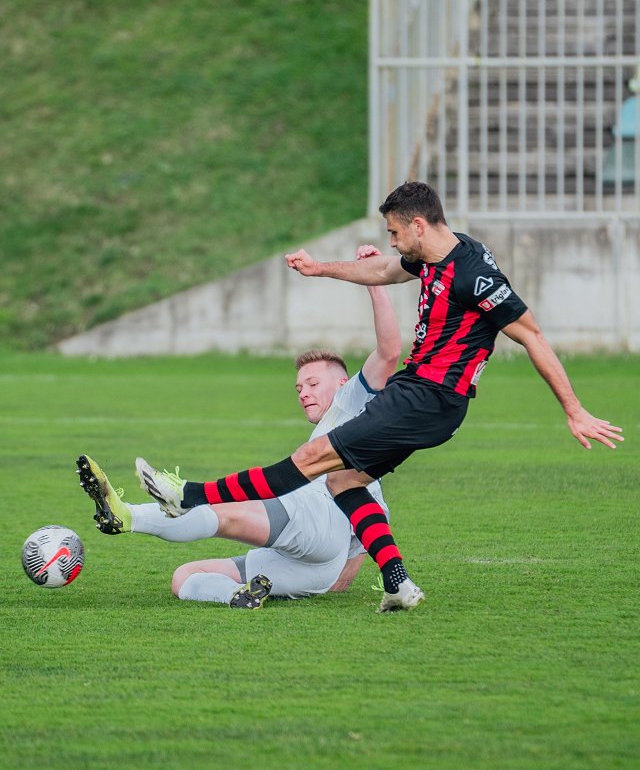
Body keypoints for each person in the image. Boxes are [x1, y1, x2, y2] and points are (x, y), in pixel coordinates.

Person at [136, 181, 624, 612]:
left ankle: (187, 496)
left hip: (426, 396)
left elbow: (532, 334)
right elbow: (387, 272)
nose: (391, 242)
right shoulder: (430, 255)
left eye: (394, 232)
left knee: (310, 458)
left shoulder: (475, 274)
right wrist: (321, 268)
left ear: (417, 224)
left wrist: (574, 409)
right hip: (429, 400)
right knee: (344, 483)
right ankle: (398, 583)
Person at [77, 245, 404, 610]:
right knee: (184, 578)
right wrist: (327, 581)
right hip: (317, 569)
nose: (303, 393)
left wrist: (375, 281)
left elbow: (389, 351)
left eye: (313, 383)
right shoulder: (355, 458)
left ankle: (129, 516)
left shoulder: (351, 401)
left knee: (224, 510)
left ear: (344, 384)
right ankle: (236, 596)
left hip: (314, 522)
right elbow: (356, 551)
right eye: (298, 388)